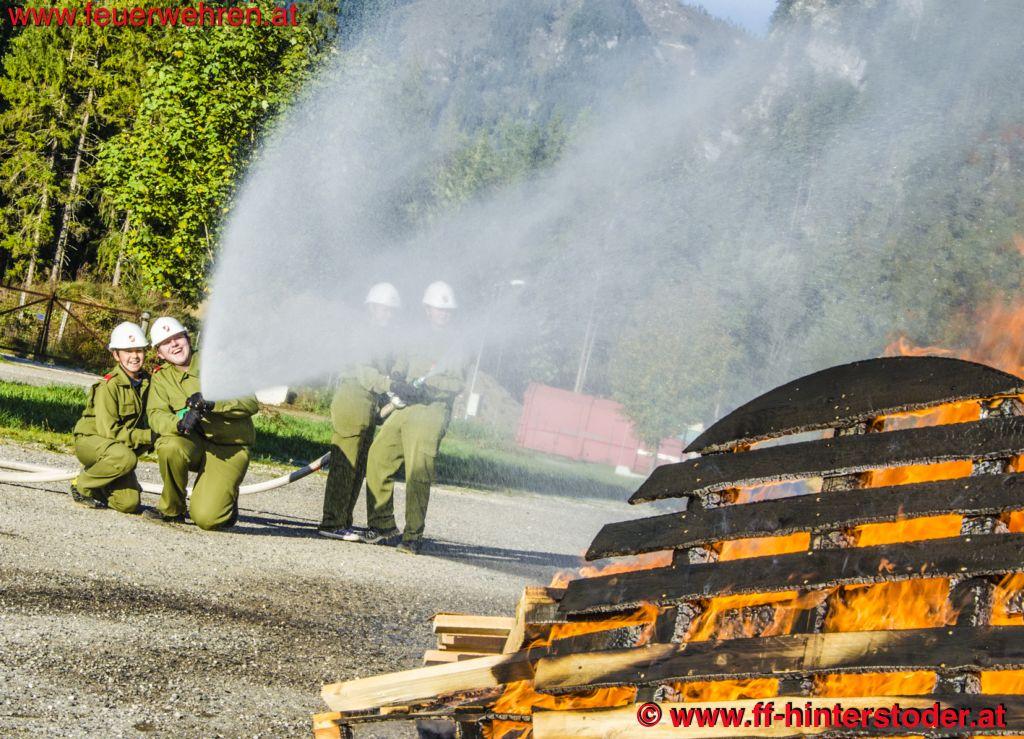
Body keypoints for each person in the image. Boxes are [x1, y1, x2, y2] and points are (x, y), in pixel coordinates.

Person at [360, 281, 467, 555]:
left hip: (431, 412)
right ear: (427, 310)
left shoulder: (458, 342)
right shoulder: (416, 335)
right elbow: (402, 365)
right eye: (438, 309)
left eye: (447, 311)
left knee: (418, 474)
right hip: (405, 407)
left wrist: (428, 388)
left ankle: (412, 536)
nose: (443, 314)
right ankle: (383, 525)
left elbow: (457, 384)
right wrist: (396, 379)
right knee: (378, 456)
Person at [143, 316, 259, 530]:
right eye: (166, 343)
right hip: (193, 444)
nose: (174, 345)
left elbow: (250, 402)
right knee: (169, 446)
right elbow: (156, 415)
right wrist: (178, 423)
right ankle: (172, 510)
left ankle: (226, 499)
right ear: (159, 353)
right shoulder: (161, 378)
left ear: (188, 338)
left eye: (178, 337)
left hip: (228, 448)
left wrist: (214, 403)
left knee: (207, 519)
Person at [318, 282, 401, 541]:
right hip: (352, 400)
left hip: (368, 404)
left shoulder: (384, 338)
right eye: (383, 309)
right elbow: (366, 372)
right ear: (371, 308)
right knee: (345, 465)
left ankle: (344, 521)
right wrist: (390, 385)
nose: (387, 314)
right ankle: (331, 523)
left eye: (391, 310)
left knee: (358, 468)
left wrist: (393, 389)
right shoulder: (361, 333)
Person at [70, 321, 154, 512]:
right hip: (93, 441)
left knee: (128, 503)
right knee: (126, 459)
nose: (134, 356)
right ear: (116, 355)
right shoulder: (110, 385)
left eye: (139, 350)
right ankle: (81, 484)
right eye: (128, 351)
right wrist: (149, 437)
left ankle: (99, 485)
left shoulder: (147, 383)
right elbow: (110, 431)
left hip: (117, 449)